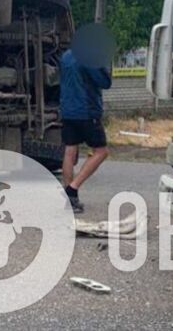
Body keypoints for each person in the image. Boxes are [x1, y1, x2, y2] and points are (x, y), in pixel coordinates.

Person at [59, 27, 115, 215]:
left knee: (70, 151)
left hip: (67, 111)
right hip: (86, 112)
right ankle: (72, 189)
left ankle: (70, 199)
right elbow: (105, 82)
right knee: (101, 151)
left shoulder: (65, 56)